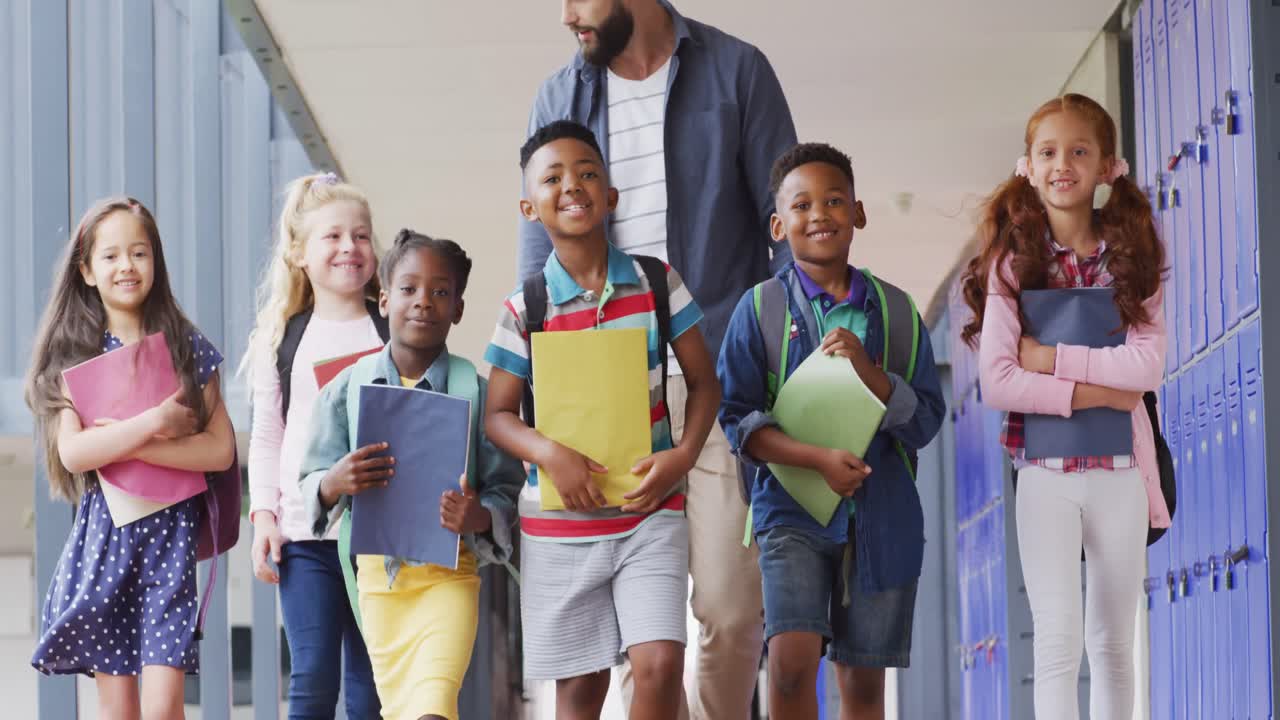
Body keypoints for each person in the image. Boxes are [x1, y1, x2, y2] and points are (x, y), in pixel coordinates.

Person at [522, 3, 797, 714]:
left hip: (720, 383)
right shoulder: (560, 95)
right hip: (603, 391)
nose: (566, 15)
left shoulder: (738, 72)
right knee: (636, 631)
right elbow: (536, 255)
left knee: (733, 612)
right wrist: (543, 409)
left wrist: (785, 351)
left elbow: (788, 228)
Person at [486, 120, 720, 720]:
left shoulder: (656, 283)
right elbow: (498, 416)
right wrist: (549, 454)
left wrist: (683, 455)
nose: (573, 185)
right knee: (581, 692)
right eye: (553, 177)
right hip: (562, 527)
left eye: (588, 172)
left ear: (611, 194)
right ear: (529, 206)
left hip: (650, 511)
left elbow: (704, 384)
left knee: (661, 666)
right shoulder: (524, 308)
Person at [717, 143, 945, 720]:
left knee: (863, 686)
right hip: (790, 511)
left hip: (882, 516)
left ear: (859, 213)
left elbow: (925, 420)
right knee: (792, 666)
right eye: (802, 205)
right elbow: (737, 419)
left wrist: (873, 378)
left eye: (834, 201)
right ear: (778, 225)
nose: (819, 214)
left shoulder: (895, 312)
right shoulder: (760, 310)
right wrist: (814, 458)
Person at [960, 93, 1169, 720]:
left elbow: (1147, 369)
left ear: (1107, 166)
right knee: (1057, 642)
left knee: (1113, 643)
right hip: (1043, 478)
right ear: (1028, 164)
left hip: (1121, 472)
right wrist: (1099, 389)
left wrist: (1049, 361)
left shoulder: (1132, 254)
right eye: (1049, 152)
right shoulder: (1012, 263)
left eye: (1080, 151)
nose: (1063, 164)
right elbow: (997, 381)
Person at [299, 230, 523, 720]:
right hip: (380, 584)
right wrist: (336, 480)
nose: (423, 302)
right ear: (384, 299)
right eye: (408, 289)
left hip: (449, 579)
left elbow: (508, 489)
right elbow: (310, 481)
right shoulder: (346, 389)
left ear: (459, 308)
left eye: (440, 292)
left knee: (433, 706)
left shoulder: (476, 394)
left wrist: (479, 517)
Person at [27, 197, 237, 719]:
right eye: (111, 256)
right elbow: (74, 452)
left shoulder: (187, 348)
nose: (126, 266)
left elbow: (221, 448)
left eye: (139, 253)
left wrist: (136, 440)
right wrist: (152, 425)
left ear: (156, 261)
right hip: (106, 545)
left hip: (172, 544)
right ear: (86, 270)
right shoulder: (74, 353)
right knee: (119, 712)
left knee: (165, 709)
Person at [242, 172, 383, 719]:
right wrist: (264, 517)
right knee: (313, 679)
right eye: (333, 236)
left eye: (362, 235)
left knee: (372, 687)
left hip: (380, 536)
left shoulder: (391, 329)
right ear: (299, 253)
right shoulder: (284, 340)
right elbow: (268, 436)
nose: (350, 246)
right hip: (305, 537)